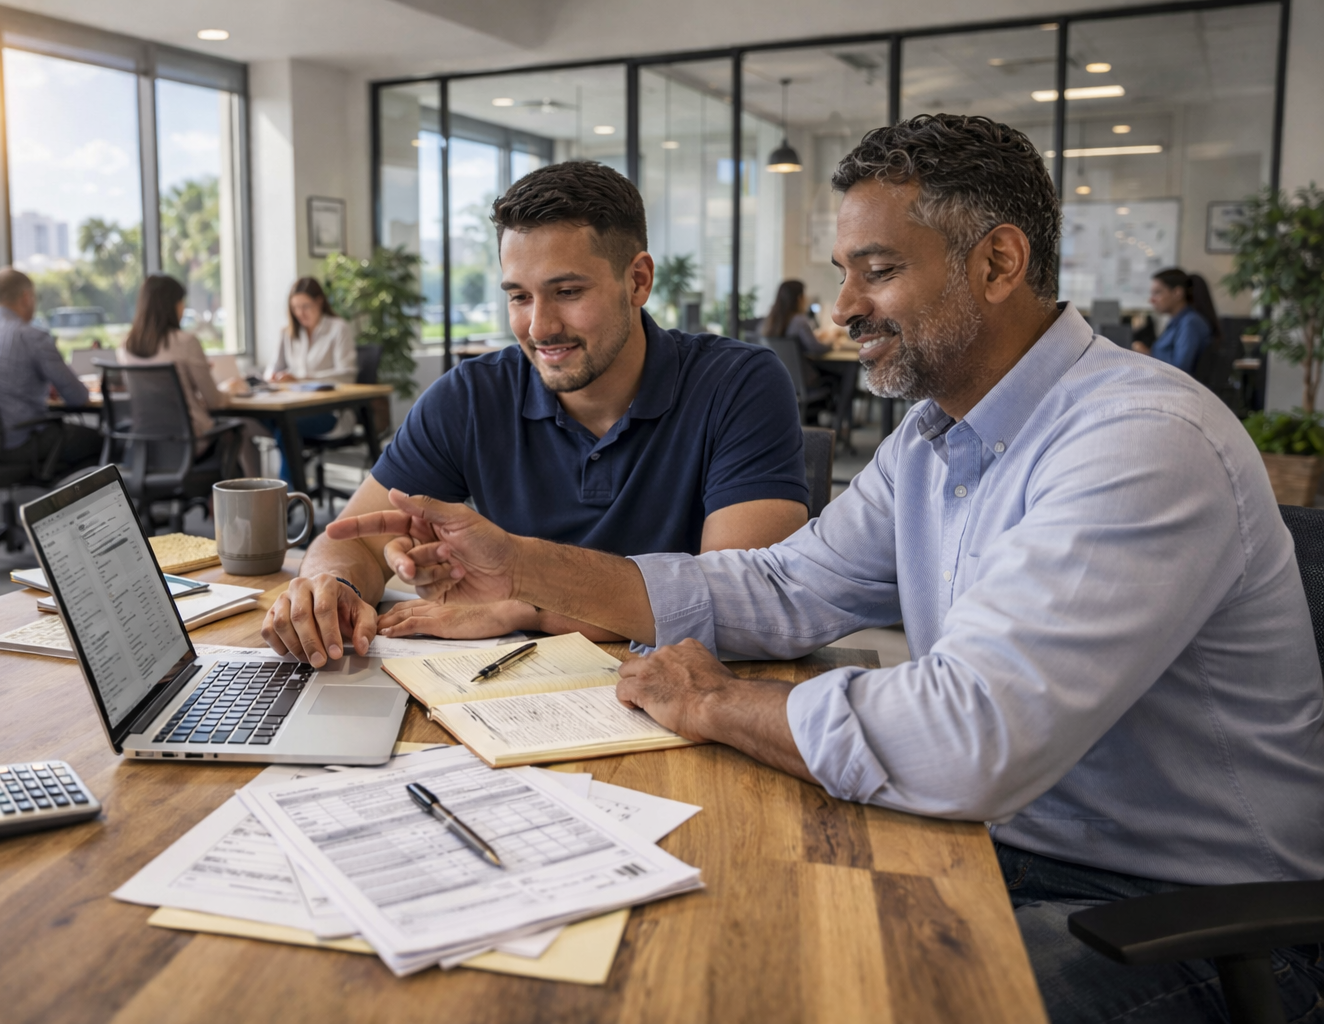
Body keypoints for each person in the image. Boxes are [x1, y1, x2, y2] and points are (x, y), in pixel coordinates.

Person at [324, 116, 1324, 1024]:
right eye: (843, 271)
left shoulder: (1138, 439)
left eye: (876, 270)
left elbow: (968, 736)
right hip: (1007, 844)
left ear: (999, 263)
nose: (842, 309)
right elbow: (782, 586)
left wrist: (721, 704)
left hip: (1196, 917)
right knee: (717, 932)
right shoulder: (936, 438)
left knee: (828, 993)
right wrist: (521, 569)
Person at [260, 159, 810, 658]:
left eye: (567, 291)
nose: (539, 327)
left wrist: (523, 604)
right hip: (516, 694)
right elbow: (356, 539)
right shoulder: (471, 395)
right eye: (519, 296)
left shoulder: (740, 383)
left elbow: (749, 602)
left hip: (686, 688)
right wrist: (333, 588)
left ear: (637, 280)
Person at [0, 268, 99, 474]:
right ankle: (61, 504)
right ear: (26, 297)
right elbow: (77, 396)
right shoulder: (32, 336)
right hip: (18, 442)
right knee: (102, 442)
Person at [118, 274, 263, 476]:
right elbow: (214, 401)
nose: (183, 309)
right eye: (182, 303)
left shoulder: (126, 346)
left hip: (147, 446)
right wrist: (228, 389)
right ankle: (249, 501)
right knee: (241, 429)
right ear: (172, 305)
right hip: (190, 443)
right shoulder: (185, 342)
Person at [266, 276, 358, 440]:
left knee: (285, 429)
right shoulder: (287, 333)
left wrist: (301, 380)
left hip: (328, 412)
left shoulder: (338, 329)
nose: (300, 313)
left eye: (305, 306)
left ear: (319, 302)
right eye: (295, 308)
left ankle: (291, 466)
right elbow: (273, 369)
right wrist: (274, 377)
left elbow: (346, 375)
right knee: (247, 424)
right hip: (292, 405)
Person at [1134, 267, 1221, 375]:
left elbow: (1180, 370)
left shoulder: (1190, 323)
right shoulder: (1177, 322)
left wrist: (1148, 354)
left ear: (1177, 293)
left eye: (1157, 293)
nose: (1151, 300)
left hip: (1176, 388)